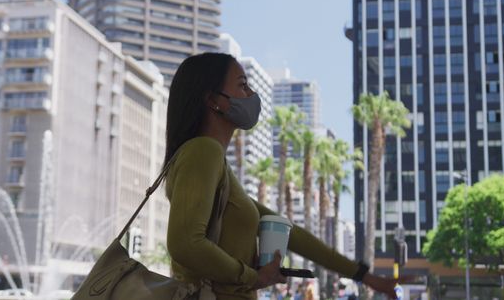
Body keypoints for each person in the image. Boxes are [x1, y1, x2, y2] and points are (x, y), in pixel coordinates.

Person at [164, 53, 409, 300]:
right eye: (242, 84)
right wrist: (253, 277)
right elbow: (185, 244)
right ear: (214, 100)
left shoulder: (218, 166)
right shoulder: (203, 150)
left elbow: (291, 233)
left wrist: (365, 276)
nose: (251, 94)